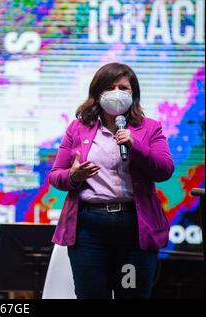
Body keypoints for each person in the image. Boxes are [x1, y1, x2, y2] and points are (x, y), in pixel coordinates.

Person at [48, 62, 174, 299]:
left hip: (135, 229)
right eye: (110, 87)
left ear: (133, 93)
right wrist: (73, 176)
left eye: (123, 87)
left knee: (131, 294)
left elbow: (164, 170)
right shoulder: (77, 128)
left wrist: (135, 146)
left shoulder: (150, 128)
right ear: (97, 93)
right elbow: (56, 175)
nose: (117, 93)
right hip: (89, 229)